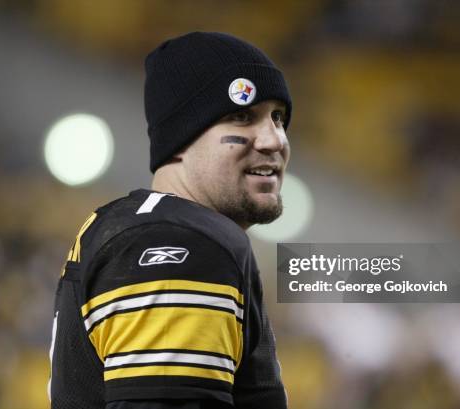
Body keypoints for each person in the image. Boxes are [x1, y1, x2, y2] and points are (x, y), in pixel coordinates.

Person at [48, 32, 292, 409]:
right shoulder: (180, 242)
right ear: (181, 135)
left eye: (277, 118)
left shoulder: (139, 226)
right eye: (242, 116)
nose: (275, 139)